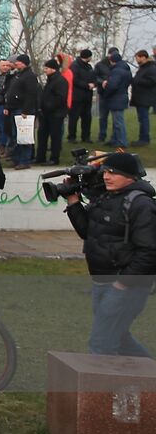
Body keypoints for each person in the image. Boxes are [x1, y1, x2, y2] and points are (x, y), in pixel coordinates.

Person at [62, 152, 156, 357]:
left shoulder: (141, 204)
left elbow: (149, 252)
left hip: (125, 286)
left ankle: (103, 390)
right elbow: (87, 232)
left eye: (113, 173)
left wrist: (123, 283)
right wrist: (73, 201)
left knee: (101, 344)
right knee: (119, 338)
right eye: (105, 171)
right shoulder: (107, 196)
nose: (106, 176)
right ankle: (149, 377)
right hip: (102, 281)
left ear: (131, 176)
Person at [4, 54, 41, 169]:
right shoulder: (17, 75)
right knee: (16, 136)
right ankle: (17, 159)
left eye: (18, 62)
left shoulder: (29, 76)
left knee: (24, 136)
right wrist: (8, 107)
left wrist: (26, 110)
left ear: (24, 63)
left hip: (23, 110)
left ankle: (25, 160)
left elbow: (31, 94)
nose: (16, 64)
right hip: (14, 109)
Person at [37, 58, 70, 166]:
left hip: (56, 114)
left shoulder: (60, 81)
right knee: (42, 135)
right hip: (46, 114)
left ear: (53, 69)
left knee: (55, 137)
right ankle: (40, 157)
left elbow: (60, 98)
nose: (44, 70)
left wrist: (48, 106)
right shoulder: (50, 80)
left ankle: (54, 159)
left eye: (46, 68)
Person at [98, 50, 131, 149]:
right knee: (117, 121)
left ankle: (121, 141)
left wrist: (105, 87)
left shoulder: (116, 71)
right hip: (122, 96)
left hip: (116, 98)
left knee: (118, 122)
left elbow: (113, 86)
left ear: (113, 61)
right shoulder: (126, 69)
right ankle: (115, 139)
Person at [68, 49, 96, 144]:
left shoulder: (89, 67)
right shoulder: (75, 66)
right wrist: (87, 85)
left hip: (87, 96)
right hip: (77, 96)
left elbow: (94, 78)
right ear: (88, 57)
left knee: (87, 117)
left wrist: (94, 84)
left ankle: (86, 136)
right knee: (74, 117)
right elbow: (74, 80)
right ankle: (72, 137)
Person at [131, 50, 156, 147]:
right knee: (141, 119)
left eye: (137, 57)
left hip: (145, 97)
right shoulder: (143, 68)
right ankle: (142, 138)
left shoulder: (151, 68)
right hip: (140, 97)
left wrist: (138, 81)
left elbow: (152, 81)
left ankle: (144, 139)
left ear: (143, 57)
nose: (136, 59)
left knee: (144, 119)